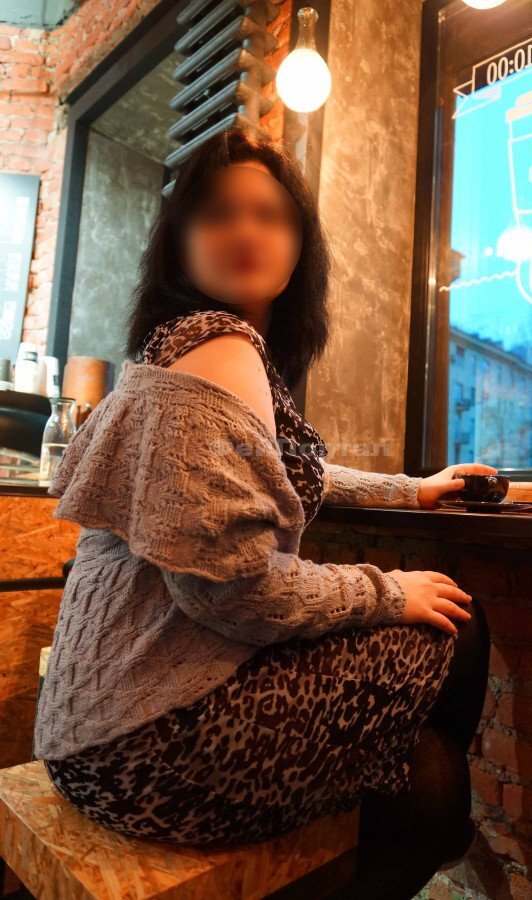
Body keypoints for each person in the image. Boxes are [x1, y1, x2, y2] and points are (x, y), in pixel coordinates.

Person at [37, 124, 491, 897]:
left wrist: (408, 489)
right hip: (145, 744)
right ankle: (431, 829)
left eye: (270, 215)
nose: (245, 231)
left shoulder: (187, 346)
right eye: (218, 213)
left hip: (92, 730)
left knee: (423, 773)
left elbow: (279, 470)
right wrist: (387, 590)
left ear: (298, 245)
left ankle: (422, 818)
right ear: (179, 243)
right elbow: (233, 593)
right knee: (455, 642)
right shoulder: (218, 349)